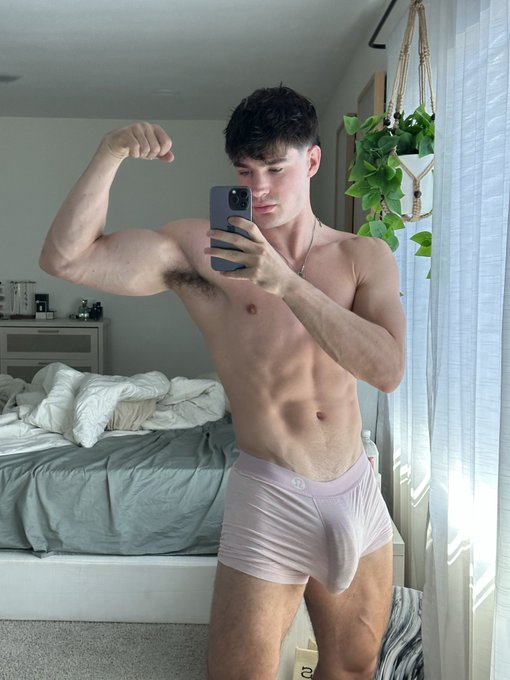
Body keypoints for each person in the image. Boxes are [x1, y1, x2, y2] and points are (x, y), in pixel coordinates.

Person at [40, 85, 405, 680]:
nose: (259, 188)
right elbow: (66, 259)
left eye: (276, 169)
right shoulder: (202, 251)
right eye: (245, 171)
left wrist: (286, 284)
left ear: (312, 161)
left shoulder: (363, 257)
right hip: (271, 492)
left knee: (354, 667)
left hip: (354, 490)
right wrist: (109, 153)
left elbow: (387, 370)